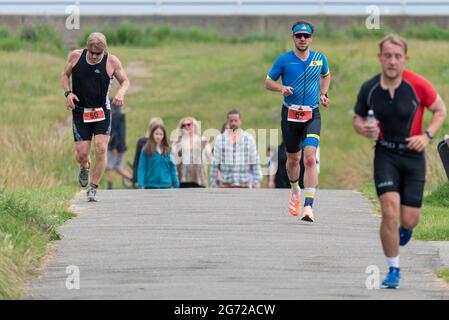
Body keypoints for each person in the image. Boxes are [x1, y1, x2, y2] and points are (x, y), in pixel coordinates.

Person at [353, 34, 447, 289]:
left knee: (409, 219)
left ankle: (406, 228)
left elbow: (440, 110)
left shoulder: (417, 85)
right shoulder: (370, 88)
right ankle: (393, 268)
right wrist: (364, 130)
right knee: (389, 210)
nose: (392, 61)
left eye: (397, 56)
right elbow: (357, 119)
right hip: (385, 154)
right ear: (380, 58)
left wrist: (426, 136)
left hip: (413, 156)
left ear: (406, 58)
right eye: (387, 56)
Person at [264, 20, 331, 221]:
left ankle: (309, 207)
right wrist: (281, 88)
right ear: (293, 37)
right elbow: (268, 82)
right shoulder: (284, 60)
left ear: (312, 38)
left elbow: (326, 75)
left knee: (310, 157)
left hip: (312, 114)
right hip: (290, 115)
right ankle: (295, 190)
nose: (302, 39)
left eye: (306, 36)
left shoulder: (319, 59)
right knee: (293, 159)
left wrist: (323, 93)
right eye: (298, 35)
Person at [62, 32, 130, 201]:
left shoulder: (112, 61)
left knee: (101, 148)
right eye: (91, 52)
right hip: (80, 111)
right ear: (87, 48)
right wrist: (68, 93)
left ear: (103, 51)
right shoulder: (76, 56)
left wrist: (121, 92)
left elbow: (126, 81)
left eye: (97, 54)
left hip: (101, 111)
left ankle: (93, 187)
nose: (93, 56)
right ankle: (84, 167)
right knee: (82, 154)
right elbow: (65, 75)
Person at [210, 109, 262, 188]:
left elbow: (255, 161)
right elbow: (215, 163)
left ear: (240, 121)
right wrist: (213, 183)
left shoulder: (249, 138)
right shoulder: (220, 139)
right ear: (227, 121)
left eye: (235, 120)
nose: (233, 123)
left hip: (244, 185)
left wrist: (256, 182)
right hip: (225, 186)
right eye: (231, 121)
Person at [172, 117, 212, 188]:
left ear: (194, 126)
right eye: (183, 126)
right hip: (183, 180)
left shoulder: (201, 140)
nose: (186, 127)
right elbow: (174, 159)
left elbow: (209, 158)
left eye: (189, 124)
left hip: (199, 179)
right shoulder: (178, 142)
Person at [138, 124, 179, 189]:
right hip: (150, 186)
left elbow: (172, 168)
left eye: (161, 134)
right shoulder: (146, 149)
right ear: (152, 135)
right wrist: (140, 185)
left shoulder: (168, 150)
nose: (158, 136)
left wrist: (176, 184)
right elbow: (141, 168)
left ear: (164, 136)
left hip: (166, 186)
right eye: (156, 134)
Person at [105, 102, 133, 189]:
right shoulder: (121, 116)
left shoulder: (113, 117)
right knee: (118, 168)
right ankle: (134, 180)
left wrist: (113, 146)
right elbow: (121, 133)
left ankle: (110, 186)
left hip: (115, 146)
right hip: (121, 146)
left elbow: (115, 133)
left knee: (109, 167)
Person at [132, 117, 164, 188]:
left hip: (162, 183)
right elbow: (137, 162)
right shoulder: (142, 142)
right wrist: (136, 179)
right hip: (146, 181)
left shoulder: (164, 145)